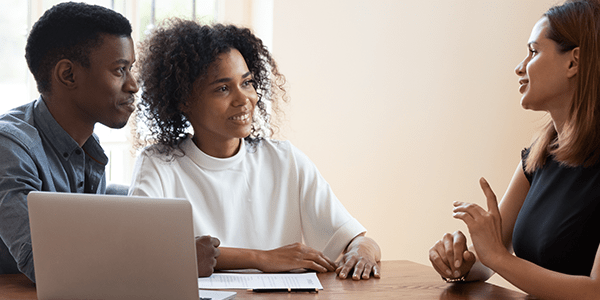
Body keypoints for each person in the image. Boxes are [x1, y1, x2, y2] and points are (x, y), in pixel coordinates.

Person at [129, 18, 381, 280]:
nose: (244, 99)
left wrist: (361, 250)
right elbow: (142, 252)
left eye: (247, 83)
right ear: (183, 100)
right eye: (223, 88)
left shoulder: (284, 160)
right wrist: (262, 258)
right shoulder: (158, 165)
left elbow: (358, 239)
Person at [0, 2, 219, 282]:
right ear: (68, 75)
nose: (134, 85)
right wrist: (175, 259)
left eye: (132, 69)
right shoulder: (10, 146)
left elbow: (91, 226)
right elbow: (45, 265)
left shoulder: (86, 147)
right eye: (120, 70)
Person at [429, 0, 600, 299]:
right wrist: (462, 262)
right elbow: (488, 259)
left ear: (573, 62)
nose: (520, 67)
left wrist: (497, 257)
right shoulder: (540, 156)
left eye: (533, 51)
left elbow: (596, 291)